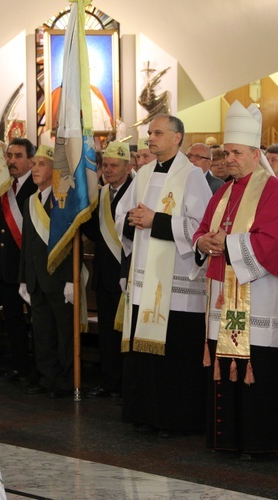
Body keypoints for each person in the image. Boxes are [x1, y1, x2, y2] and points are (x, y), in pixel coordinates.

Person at [193, 101, 278, 457]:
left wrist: (223, 244)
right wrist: (203, 242)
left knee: (258, 363)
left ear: (255, 153)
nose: (228, 158)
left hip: (259, 293)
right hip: (224, 293)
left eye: (236, 152)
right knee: (224, 364)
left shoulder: (275, 192)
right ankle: (226, 439)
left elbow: (274, 242)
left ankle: (260, 441)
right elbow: (201, 230)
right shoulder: (223, 191)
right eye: (226, 152)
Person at [115, 114, 212, 437]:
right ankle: (143, 412)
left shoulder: (192, 176)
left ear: (177, 138)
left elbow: (201, 229)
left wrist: (156, 220)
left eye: (158, 133)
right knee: (143, 355)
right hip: (144, 277)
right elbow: (123, 215)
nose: (150, 138)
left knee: (175, 354)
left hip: (176, 283)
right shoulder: (142, 173)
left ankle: (175, 417)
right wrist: (130, 220)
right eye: (149, 133)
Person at [19, 144, 75, 398]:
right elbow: (27, 242)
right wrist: (23, 278)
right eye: (34, 164)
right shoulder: (31, 200)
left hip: (58, 279)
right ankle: (46, 376)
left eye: (41, 164)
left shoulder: (65, 198)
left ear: (54, 169)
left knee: (63, 333)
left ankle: (64, 380)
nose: (35, 169)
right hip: (36, 280)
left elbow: (70, 242)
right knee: (42, 333)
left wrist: (69, 279)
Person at [82, 141, 132, 399]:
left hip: (124, 274)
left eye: (114, 165)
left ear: (127, 167)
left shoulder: (135, 192)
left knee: (123, 331)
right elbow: (94, 231)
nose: (108, 170)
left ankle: (125, 384)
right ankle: (109, 381)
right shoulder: (101, 194)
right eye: (105, 165)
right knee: (106, 333)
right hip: (103, 273)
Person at [0, 138, 38, 382]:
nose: (11, 161)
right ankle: (21, 367)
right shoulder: (5, 187)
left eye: (18, 156)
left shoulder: (37, 186)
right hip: (8, 266)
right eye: (9, 155)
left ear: (31, 160)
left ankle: (38, 370)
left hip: (29, 266)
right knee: (13, 319)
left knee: (36, 320)